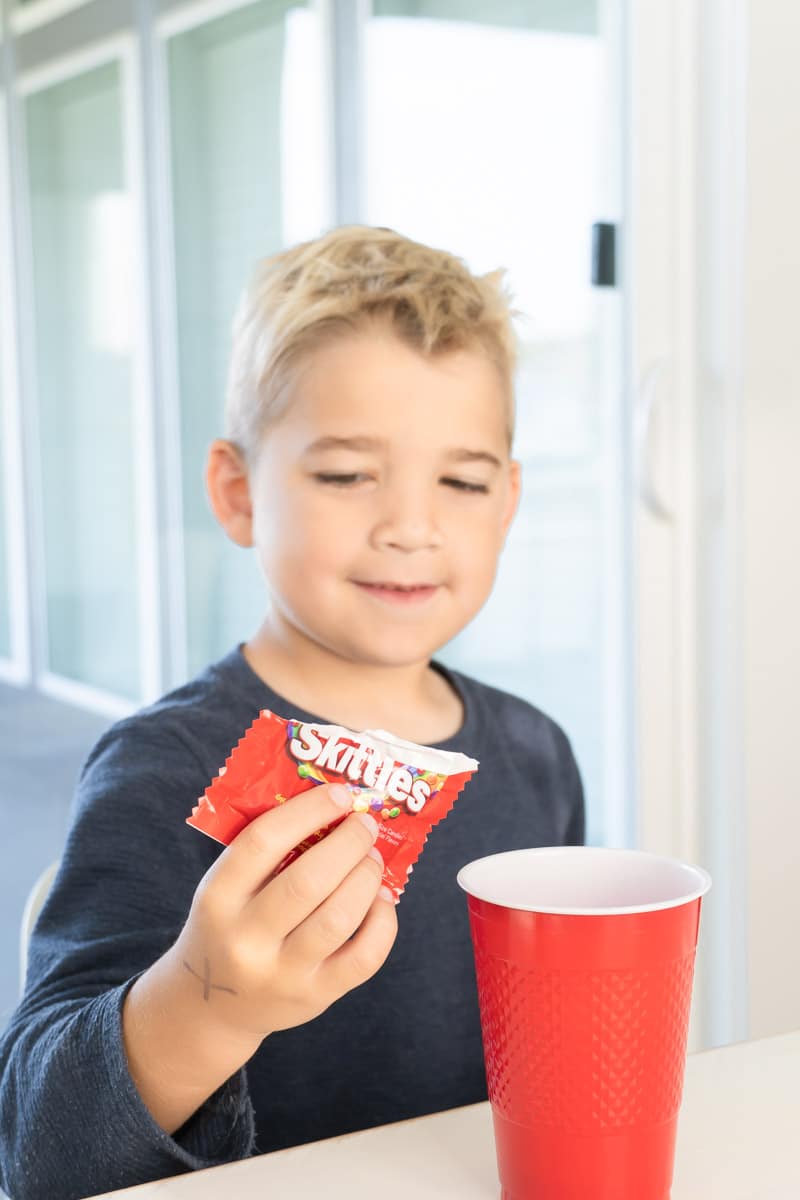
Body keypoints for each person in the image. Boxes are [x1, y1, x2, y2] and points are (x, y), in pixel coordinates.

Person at [0, 225, 584, 1200]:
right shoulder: (163, 766)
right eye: (346, 474)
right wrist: (207, 1000)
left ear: (508, 501)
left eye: (462, 480)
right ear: (237, 493)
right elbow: (41, 1153)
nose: (409, 524)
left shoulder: (534, 755)